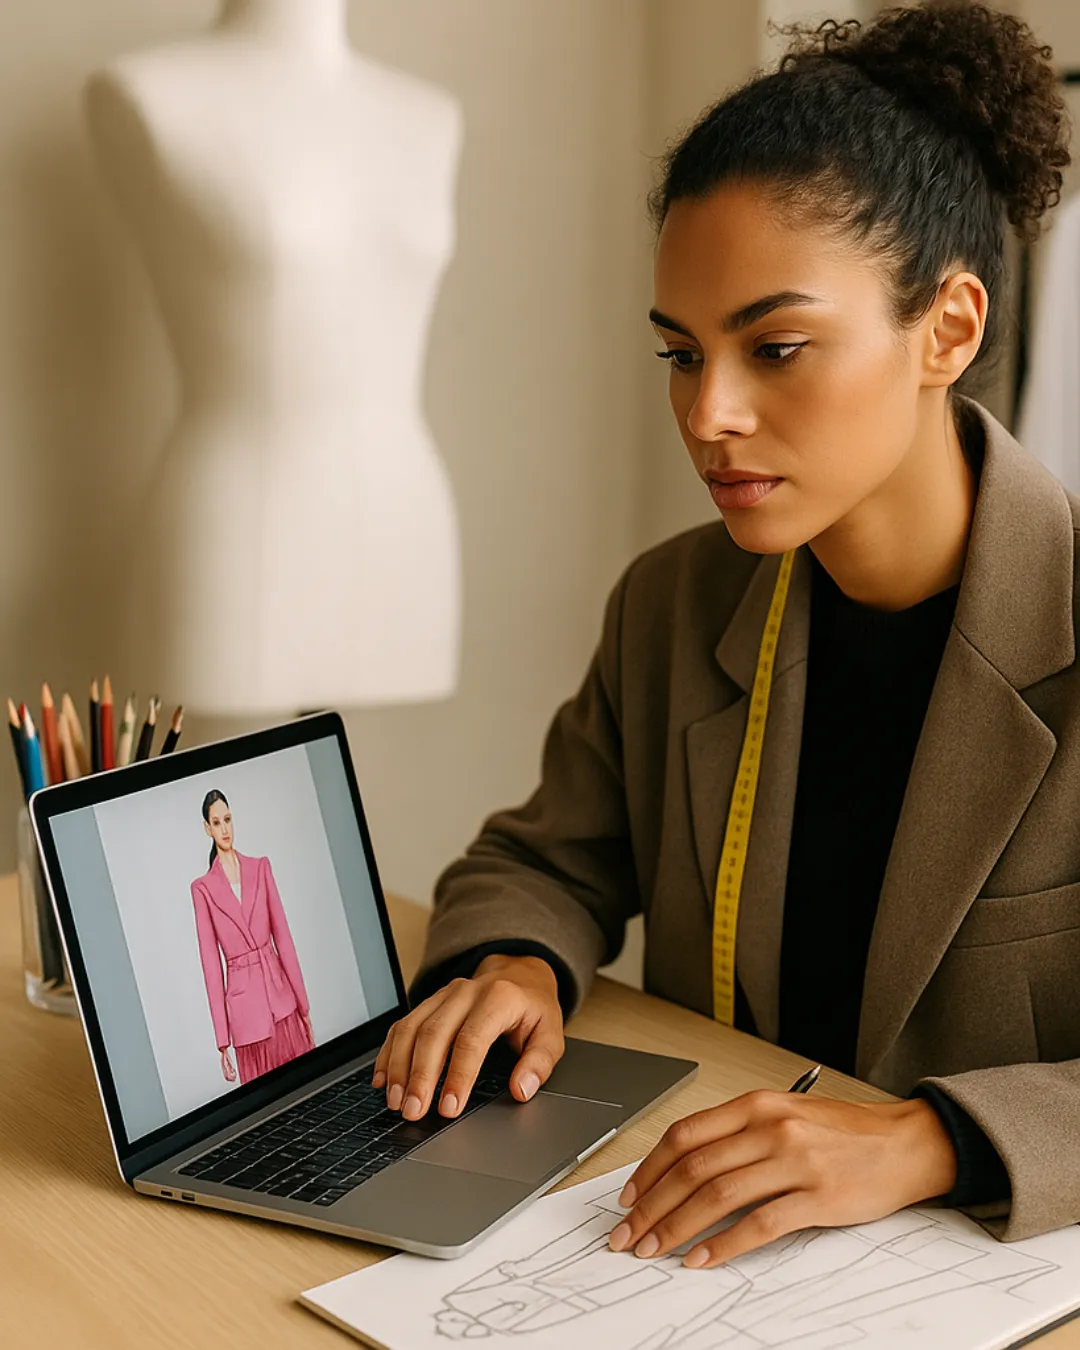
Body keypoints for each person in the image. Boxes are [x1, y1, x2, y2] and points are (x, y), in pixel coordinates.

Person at [375, 0, 1080, 1267]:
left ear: (950, 331)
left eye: (777, 346)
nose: (710, 414)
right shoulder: (675, 605)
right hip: (696, 1265)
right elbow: (549, 856)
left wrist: (928, 1139)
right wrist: (519, 963)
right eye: (681, 353)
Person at [191, 789, 314, 1084]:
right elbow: (211, 967)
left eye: (228, 819)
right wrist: (222, 1040)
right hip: (247, 1018)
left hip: (282, 1002)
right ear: (207, 828)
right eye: (216, 822)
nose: (224, 828)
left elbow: (283, 939)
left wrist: (303, 1005)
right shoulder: (203, 889)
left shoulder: (260, 867)